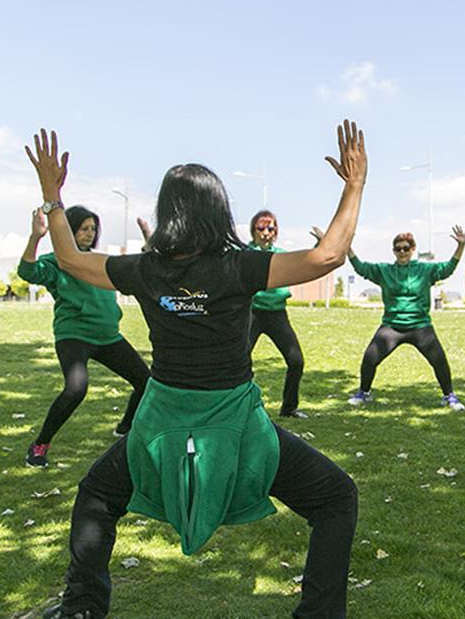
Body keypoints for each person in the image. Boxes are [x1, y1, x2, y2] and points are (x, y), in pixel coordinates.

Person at [30, 121, 365, 619]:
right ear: (218, 209)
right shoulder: (238, 267)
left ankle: (82, 608)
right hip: (236, 430)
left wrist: (53, 199)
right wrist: (354, 185)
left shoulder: (145, 269)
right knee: (337, 498)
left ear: (168, 212)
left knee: (98, 495)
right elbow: (328, 255)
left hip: (161, 427)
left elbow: (69, 258)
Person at [19, 206, 152, 468]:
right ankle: (40, 444)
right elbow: (27, 272)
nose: (90, 233)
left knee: (145, 381)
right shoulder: (57, 261)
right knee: (76, 389)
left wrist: (149, 244)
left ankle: (125, 428)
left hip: (108, 337)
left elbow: (134, 268)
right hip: (74, 336)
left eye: (93, 229)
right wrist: (36, 237)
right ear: (69, 230)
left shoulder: (100, 260)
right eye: (84, 228)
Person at [332, 227, 465, 411]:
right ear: (394, 251)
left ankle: (449, 396)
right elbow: (361, 268)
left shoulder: (424, 270)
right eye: (398, 249)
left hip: (420, 326)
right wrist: (348, 247)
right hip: (392, 326)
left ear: (412, 250)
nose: (402, 252)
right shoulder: (384, 271)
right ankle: (364, 393)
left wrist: (461, 246)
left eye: (405, 248)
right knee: (369, 358)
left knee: (439, 360)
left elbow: (447, 269)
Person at [246, 209, 308, 419]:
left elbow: (307, 262)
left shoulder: (281, 255)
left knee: (296, 361)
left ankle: (289, 408)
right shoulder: (245, 253)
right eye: (261, 228)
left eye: (271, 228)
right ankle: (241, 407)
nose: (266, 232)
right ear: (253, 230)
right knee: (239, 360)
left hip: (277, 315)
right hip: (252, 314)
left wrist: (321, 245)